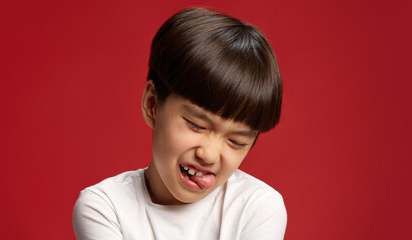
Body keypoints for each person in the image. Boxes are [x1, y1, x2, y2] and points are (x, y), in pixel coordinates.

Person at [73, 7, 287, 240]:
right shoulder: (105, 207)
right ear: (153, 104)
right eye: (196, 125)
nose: (210, 155)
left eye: (236, 141)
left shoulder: (258, 207)